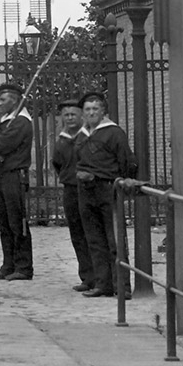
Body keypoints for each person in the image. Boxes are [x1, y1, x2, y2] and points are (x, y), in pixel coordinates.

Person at [69, 90, 134, 298]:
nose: (91, 113)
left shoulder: (114, 133)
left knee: (115, 239)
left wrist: (117, 182)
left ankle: (122, 287)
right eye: (87, 109)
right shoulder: (82, 134)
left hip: (107, 189)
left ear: (103, 110)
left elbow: (127, 162)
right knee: (94, 240)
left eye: (95, 108)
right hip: (86, 192)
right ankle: (102, 283)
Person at [0, 82, 34, 280]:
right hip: (1, 175)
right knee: (3, 222)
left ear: (16, 100)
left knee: (16, 221)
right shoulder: (7, 121)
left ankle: (24, 266)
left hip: (14, 175)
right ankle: (8, 264)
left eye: (3, 100)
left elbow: (2, 144)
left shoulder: (20, 122)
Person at [48, 98, 96, 291]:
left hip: (88, 188)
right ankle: (86, 277)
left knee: (91, 233)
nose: (69, 118)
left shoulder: (88, 137)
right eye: (66, 115)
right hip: (70, 188)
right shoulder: (61, 140)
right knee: (76, 233)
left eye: (73, 114)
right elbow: (57, 163)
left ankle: (100, 276)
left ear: (81, 116)